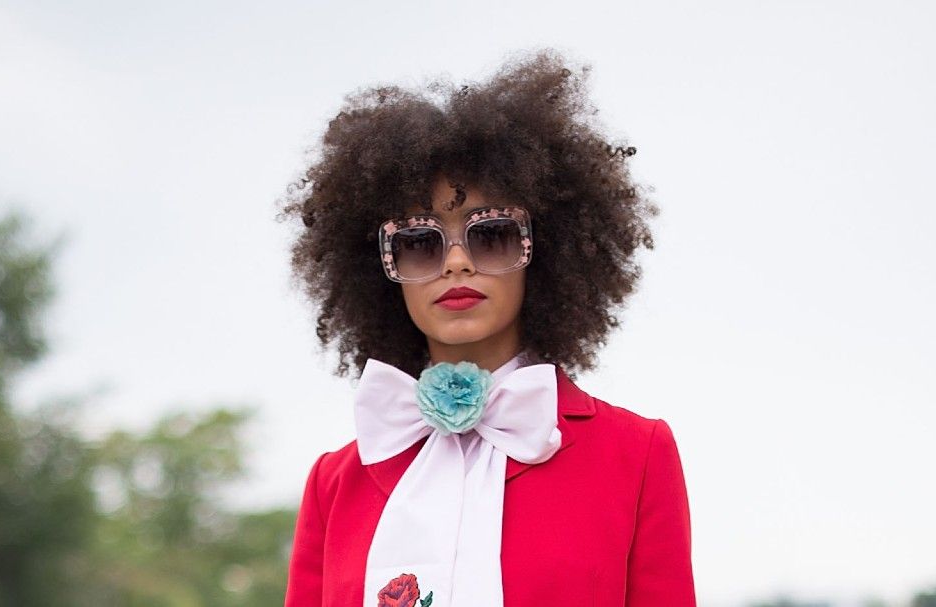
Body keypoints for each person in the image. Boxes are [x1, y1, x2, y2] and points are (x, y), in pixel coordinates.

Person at [277, 48, 695, 607]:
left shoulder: (636, 455)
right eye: (419, 243)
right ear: (383, 270)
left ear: (543, 250)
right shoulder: (336, 483)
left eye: (490, 234)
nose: (455, 262)